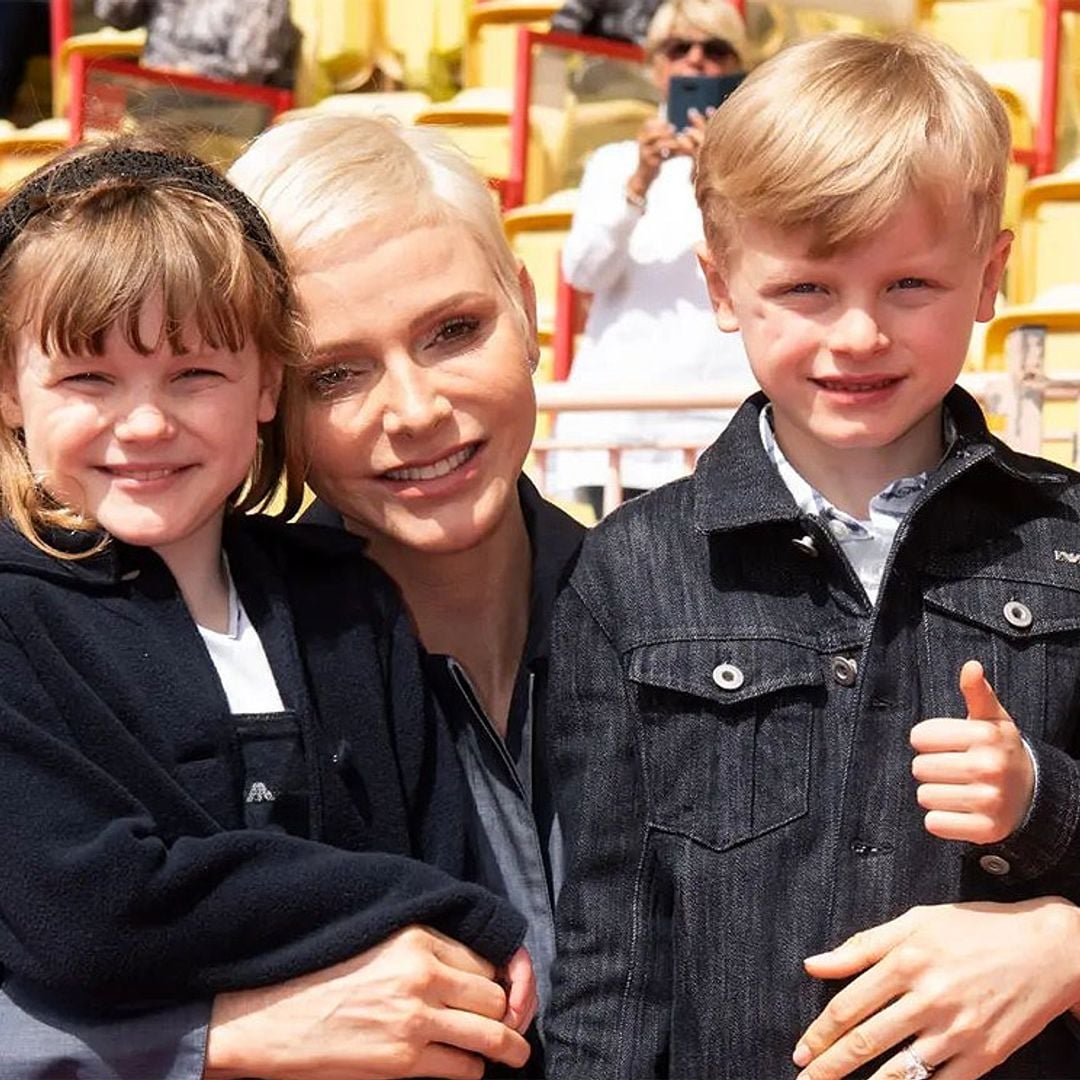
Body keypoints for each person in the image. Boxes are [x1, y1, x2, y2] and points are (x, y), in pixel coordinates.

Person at [1, 115, 585, 1078]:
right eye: (340, 372)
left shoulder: (684, 600)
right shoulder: (32, 622)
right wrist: (211, 1037)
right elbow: (84, 912)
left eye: (453, 331)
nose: (415, 410)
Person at [546, 31, 1080, 1079]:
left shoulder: (1067, 545)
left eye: (911, 285)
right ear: (719, 286)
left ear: (990, 278)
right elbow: (611, 951)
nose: (857, 335)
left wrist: (1041, 805)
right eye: (806, 291)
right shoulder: (629, 573)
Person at [548, 0, 753, 519]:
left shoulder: (759, 166)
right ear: (656, 66)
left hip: (720, 424)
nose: (696, 61)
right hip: (622, 427)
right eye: (678, 48)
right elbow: (583, 273)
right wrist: (638, 182)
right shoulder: (612, 162)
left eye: (714, 49)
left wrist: (715, 179)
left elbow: (769, 268)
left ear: (737, 66)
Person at [93, 0, 299, 88]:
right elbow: (114, 13)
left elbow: (251, 68)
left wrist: (177, 76)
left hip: (223, 115)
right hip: (152, 102)